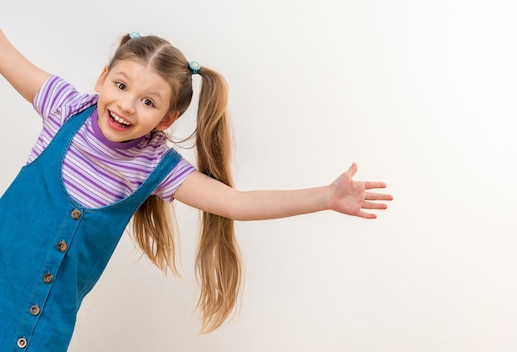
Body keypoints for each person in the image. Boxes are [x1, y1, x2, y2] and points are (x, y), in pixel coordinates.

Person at [0, 29, 392, 351]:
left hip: (37, 331)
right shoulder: (64, 106)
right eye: (120, 85)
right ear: (102, 79)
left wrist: (325, 196)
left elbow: (235, 204)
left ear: (167, 119)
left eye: (148, 101)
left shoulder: (154, 165)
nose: (127, 106)